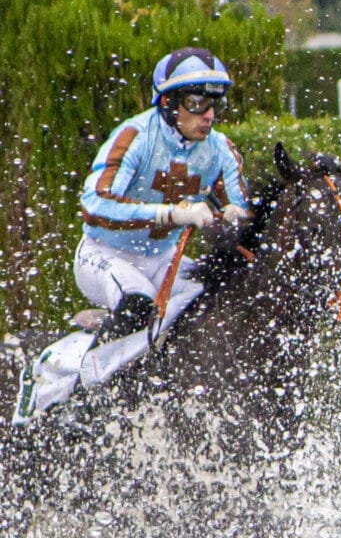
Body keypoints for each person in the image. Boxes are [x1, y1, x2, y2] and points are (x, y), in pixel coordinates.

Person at [13, 48, 251, 424]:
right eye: (196, 102)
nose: (208, 114)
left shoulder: (220, 149)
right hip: (104, 255)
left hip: (164, 260)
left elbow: (239, 206)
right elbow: (95, 205)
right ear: (169, 103)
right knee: (140, 303)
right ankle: (76, 385)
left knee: (210, 297)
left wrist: (235, 217)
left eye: (213, 104)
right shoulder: (135, 135)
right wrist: (170, 213)